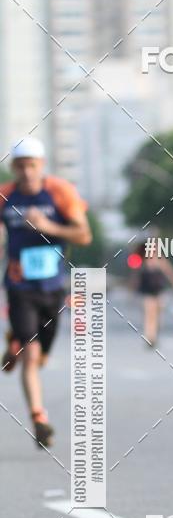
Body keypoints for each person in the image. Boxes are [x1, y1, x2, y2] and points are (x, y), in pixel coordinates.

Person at [0, 138, 91, 447]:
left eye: (32, 165)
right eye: (21, 166)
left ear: (42, 165)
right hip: (19, 285)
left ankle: (14, 342)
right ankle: (39, 418)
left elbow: (84, 234)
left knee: (40, 355)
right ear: (13, 168)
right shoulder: (5, 196)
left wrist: (49, 226)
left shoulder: (60, 192)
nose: (27, 172)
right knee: (31, 352)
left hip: (53, 288)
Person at [132, 239, 173, 347]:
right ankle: (149, 337)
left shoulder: (161, 260)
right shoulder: (143, 260)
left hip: (159, 292)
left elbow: (170, 273)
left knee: (158, 316)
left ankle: (154, 334)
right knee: (149, 314)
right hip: (147, 292)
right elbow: (135, 274)